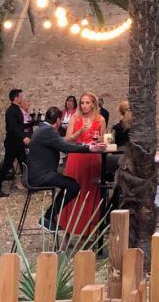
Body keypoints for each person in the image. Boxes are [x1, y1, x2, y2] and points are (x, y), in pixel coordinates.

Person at [29, 106, 107, 232]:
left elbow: (64, 143)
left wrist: (85, 145)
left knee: (70, 184)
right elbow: (65, 147)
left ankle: (49, 217)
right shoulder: (48, 131)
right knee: (73, 186)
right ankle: (48, 217)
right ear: (59, 120)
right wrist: (89, 148)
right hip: (41, 176)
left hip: (38, 174)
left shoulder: (42, 129)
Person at [60, 92, 106, 235]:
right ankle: (69, 229)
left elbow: (103, 140)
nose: (84, 106)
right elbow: (67, 140)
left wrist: (98, 140)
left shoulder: (100, 119)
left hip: (92, 157)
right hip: (77, 155)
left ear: (93, 104)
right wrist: (79, 132)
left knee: (91, 191)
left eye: (88, 102)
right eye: (82, 103)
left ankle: (90, 231)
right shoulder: (75, 117)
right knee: (74, 190)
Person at [0, 89, 30, 198]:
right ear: (16, 98)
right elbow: (13, 128)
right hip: (12, 144)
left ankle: (30, 185)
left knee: (25, 163)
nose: (22, 98)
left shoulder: (16, 110)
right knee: (6, 166)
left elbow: (19, 126)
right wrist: (23, 137)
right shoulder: (11, 111)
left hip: (18, 144)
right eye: (21, 96)